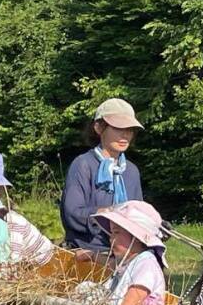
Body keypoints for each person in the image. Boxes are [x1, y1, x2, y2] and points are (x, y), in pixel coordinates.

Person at [60, 98, 144, 255]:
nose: (125, 134)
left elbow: (137, 213)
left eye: (130, 129)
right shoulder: (83, 164)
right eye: (118, 128)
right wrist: (106, 213)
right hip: (88, 253)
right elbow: (72, 213)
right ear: (98, 128)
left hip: (125, 254)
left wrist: (154, 224)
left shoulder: (131, 171)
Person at [92, 200, 167, 305]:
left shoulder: (146, 265)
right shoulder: (130, 260)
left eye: (116, 232)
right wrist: (91, 256)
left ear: (136, 237)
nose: (111, 238)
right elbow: (111, 263)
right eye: (111, 233)